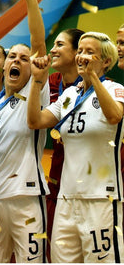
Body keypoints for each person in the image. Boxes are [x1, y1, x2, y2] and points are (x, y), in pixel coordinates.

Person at [28, 31, 124, 262]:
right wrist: (37, 80)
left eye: (90, 52)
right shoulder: (69, 94)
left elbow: (114, 116)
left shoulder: (115, 89)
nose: (82, 57)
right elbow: (35, 121)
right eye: (80, 51)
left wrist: (93, 78)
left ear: (106, 61)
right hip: (66, 199)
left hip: (101, 198)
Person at [0, 0, 49, 263]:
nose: (18, 61)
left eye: (24, 59)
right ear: (2, 63)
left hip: (26, 197)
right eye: (12, 56)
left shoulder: (35, 91)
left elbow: (38, 45)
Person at [44, 27, 84, 261]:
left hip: (89, 186)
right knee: (57, 253)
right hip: (57, 181)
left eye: (60, 44)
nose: (53, 49)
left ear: (78, 51)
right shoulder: (49, 83)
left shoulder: (96, 87)